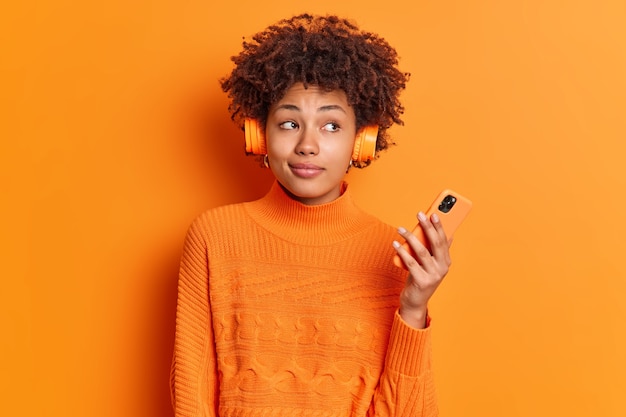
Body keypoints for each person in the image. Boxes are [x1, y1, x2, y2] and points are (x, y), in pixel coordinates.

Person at [171, 14, 453, 417]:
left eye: (331, 126)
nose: (308, 144)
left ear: (362, 142)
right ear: (259, 134)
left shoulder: (395, 256)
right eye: (289, 123)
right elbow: (192, 397)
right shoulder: (215, 236)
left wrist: (413, 307)